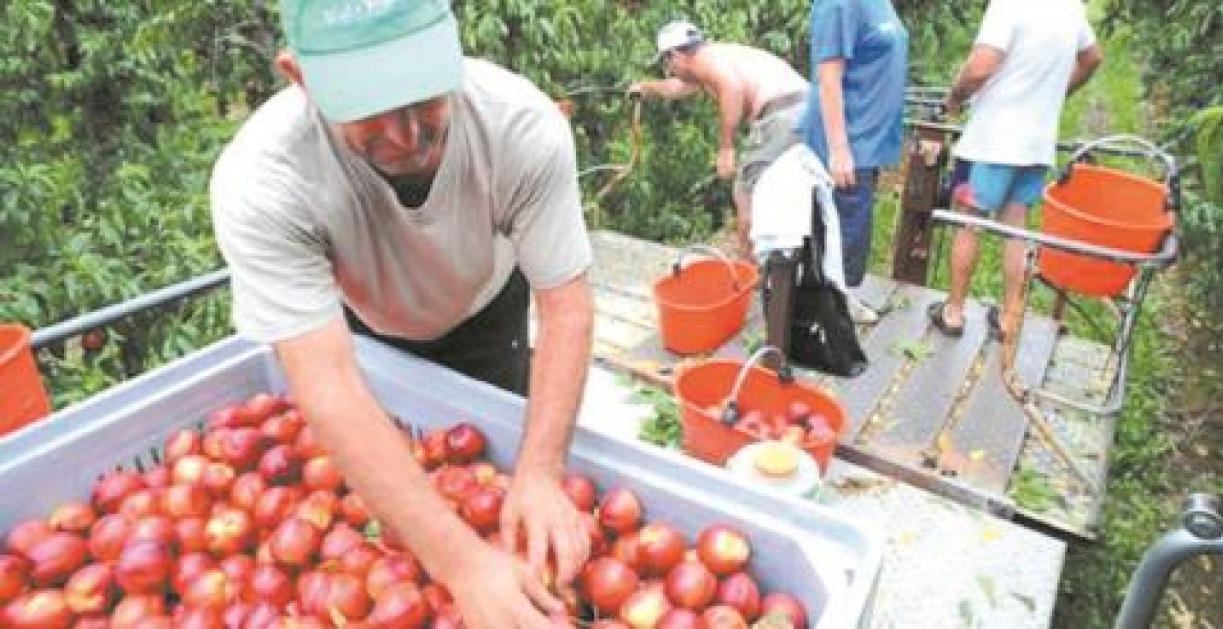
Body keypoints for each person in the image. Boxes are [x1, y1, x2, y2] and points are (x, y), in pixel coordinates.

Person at [209, 1, 594, 627]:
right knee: (395, 454)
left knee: (496, 446)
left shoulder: (518, 126)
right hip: (362, 331)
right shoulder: (265, 179)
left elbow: (565, 305)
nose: (407, 134)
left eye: (424, 96)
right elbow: (327, 382)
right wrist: (464, 565)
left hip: (486, 305)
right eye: (369, 107)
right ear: (299, 76)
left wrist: (542, 472)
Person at [932, 0, 1103, 338]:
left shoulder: (1008, 6)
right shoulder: (1070, 8)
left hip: (995, 139)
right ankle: (1010, 318)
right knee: (1017, 226)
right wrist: (1056, 93)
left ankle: (953, 312)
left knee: (970, 221)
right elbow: (1092, 57)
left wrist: (954, 99)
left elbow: (980, 67)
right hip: (1037, 141)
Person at [628, 20, 810, 259]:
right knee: (793, 187)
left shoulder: (708, 63)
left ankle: (751, 267)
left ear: (675, 55)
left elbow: (732, 89)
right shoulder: (714, 57)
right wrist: (646, 87)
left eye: (667, 62)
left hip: (784, 114)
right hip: (807, 108)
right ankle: (795, 258)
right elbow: (679, 87)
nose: (669, 70)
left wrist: (726, 148)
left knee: (747, 191)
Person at [799, 0, 909, 324]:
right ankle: (827, 320)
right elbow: (828, 77)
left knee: (852, 230)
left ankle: (837, 303)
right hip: (849, 141)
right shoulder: (838, 4)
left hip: (869, 140)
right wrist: (839, 148)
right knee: (843, 230)